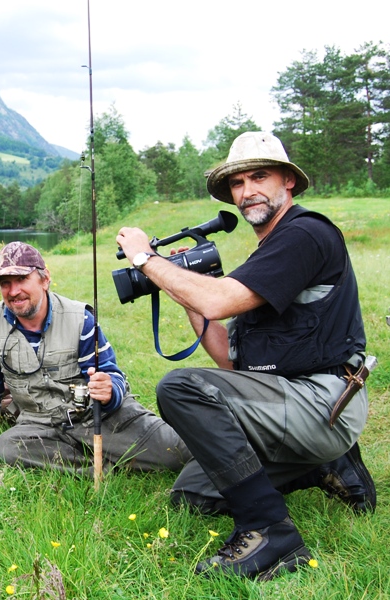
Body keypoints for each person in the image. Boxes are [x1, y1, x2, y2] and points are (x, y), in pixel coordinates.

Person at [116, 131, 376, 580]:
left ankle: (270, 533)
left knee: (181, 388)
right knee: (193, 496)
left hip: (324, 400)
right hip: (285, 401)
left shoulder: (306, 234)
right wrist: (185, 287)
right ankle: (324, 465)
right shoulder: (268, 255)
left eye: (259, 177)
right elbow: (229, 363)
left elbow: (217, 301)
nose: (246, 190)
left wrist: (146, 259)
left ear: (287, 181)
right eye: (237, 183)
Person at [0, 241, 191, 475]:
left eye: (22, 279)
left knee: (178, 453)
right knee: (7, 447)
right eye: (5, 283)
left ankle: (103, 456)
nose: (13, 291)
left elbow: (113, 375)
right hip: (40, 425)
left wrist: (109, 391)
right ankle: (106, 467)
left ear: (45, 279)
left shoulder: (80, 319)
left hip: (98, 418)